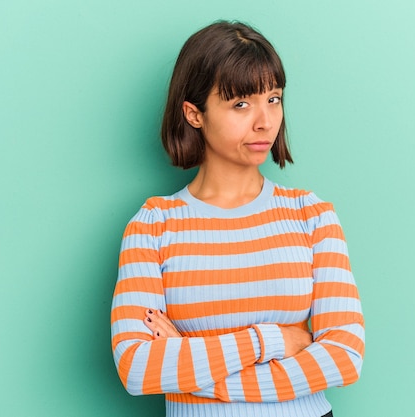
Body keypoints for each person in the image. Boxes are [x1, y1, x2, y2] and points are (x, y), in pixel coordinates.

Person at [110, 20, 364, 417]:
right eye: (241, 104)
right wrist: (273, 340)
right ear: (195, 114)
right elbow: (138, 368)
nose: (264, 121)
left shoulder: (312, 216)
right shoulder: (153, 225)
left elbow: (344, 356)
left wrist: (192, 371)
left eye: (274, 99)